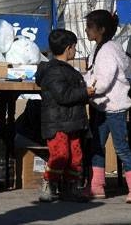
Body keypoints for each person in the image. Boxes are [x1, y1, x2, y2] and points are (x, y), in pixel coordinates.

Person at [83, 9, 131, 203]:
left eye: (90, 27)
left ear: (101, 29)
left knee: (121, 147)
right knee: (97, 145)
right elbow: (93, 74)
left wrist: (89, 89)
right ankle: (96, 186)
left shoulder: (108, 50)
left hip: (113, 106)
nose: (87, 30)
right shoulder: (99, 48)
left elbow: (104, 80)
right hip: (102, 106)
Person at [35, 29, 94, 203]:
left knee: (75, 156)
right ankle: (48, 184)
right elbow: (63, 95)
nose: (75, 51)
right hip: (58, 122)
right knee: (60, 154)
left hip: (72, 122)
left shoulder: (67, 70)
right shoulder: (54, 71)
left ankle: (71, 187)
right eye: (75, 47)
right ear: (69, 48)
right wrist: (85, 93)